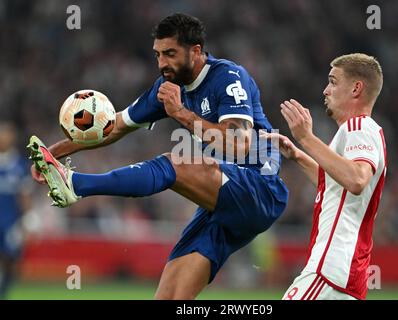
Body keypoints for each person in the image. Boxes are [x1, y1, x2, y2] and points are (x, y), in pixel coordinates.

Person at [28, 13, 288, 299]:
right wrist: (56, 151)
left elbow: (238, 145)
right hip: (221, 206)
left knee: (174, 161)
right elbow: (114, 128)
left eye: (170, 54)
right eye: (158, 54)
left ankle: (77, 184)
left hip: (259, 188)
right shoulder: (165, 88)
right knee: (170, 298)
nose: (162, 63)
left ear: (196, 51)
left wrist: (181, 114)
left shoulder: (228, 77)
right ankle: (73, 181)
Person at [266, 53, 386, 300]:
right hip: (345, 273)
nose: (325, 90)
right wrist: (298, 155)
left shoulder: (359, 127)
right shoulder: (357, 133)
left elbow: (356, 180)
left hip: (331, 268)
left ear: (356, 88)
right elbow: (336, 183)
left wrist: (307, 138)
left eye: (333, 81)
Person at [0, 122, 31, 299]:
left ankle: (4, 292)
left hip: (11, 222)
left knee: (10, 258)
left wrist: (27, 222)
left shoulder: (19, 165)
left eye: (6, 134)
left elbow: (25, 196)